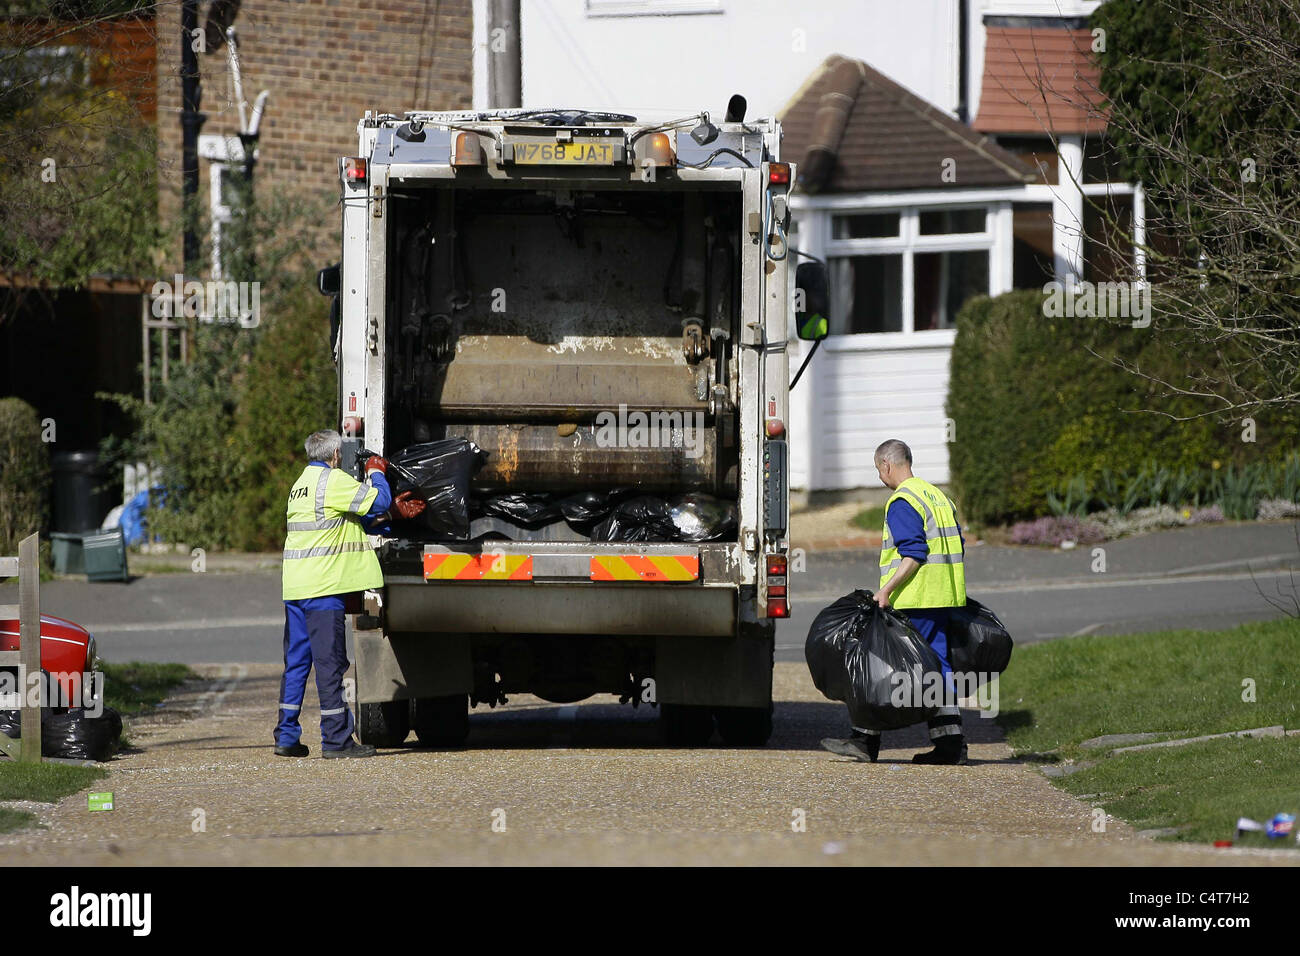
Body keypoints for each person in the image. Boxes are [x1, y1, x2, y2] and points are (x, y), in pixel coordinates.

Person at [275, 429, 425, 758]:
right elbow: (379, 500)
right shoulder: (333, 482)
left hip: (296, 587)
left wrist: (386, 519)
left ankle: (286, 735)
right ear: (336, 455)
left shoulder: (300, 486)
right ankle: (336, 740)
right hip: (323, 589)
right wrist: (375, 471)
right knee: (330, 665)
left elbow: (344, 522)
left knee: (297, 663)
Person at [821, 439, 969, 765]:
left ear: (887, 465)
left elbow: (914, 553)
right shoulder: (938, 496)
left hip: (915, 597)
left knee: (878, 663)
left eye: (878, 470)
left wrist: (885, 590)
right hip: (944, 596)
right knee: (937, 668)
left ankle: (864, 742)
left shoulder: (902, 500)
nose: (879, 478)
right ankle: (950, 744)